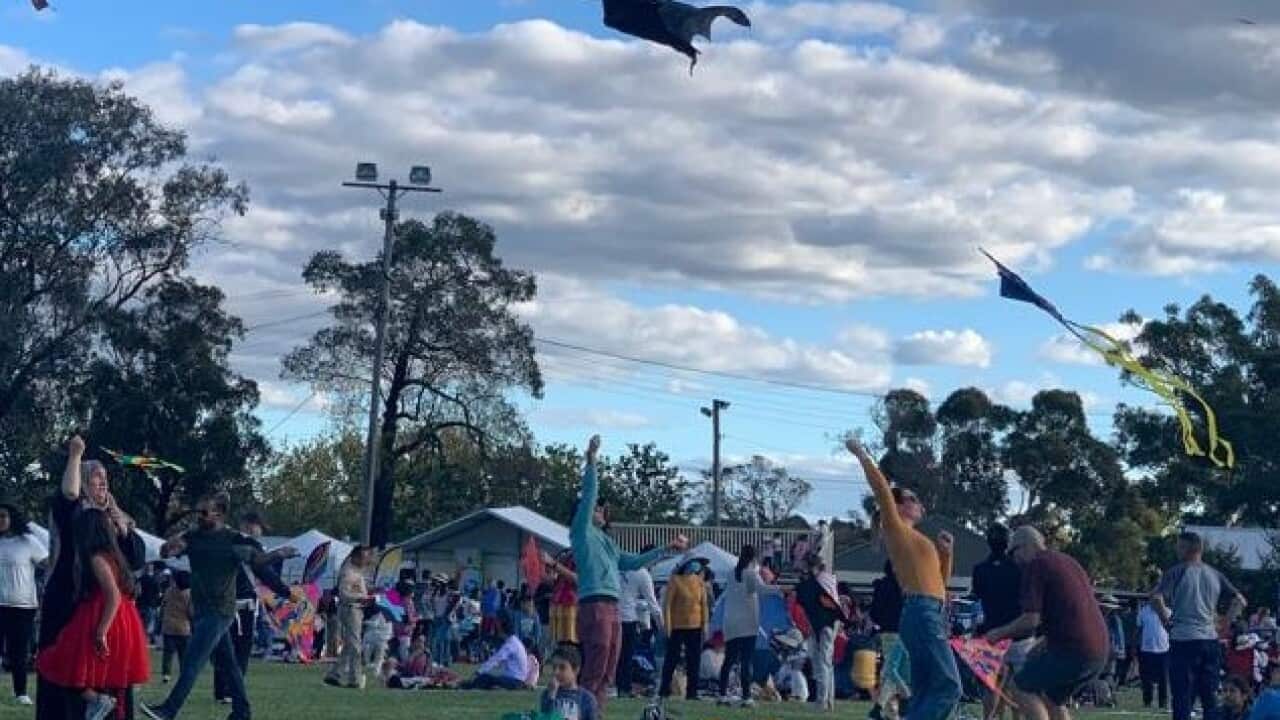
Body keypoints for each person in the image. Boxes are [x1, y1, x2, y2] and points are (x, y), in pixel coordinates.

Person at [141, 492, 300, 720]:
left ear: (220, 513)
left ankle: (168, 710)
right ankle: (242, 712)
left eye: (204, 511)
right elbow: (166, 551)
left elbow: (257, 561)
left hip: (220, 611)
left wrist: (280, 554)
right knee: (229, 664)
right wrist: (174, 540)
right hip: (201, 609)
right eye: (198, 511)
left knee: (192, 661)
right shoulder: (193, 536)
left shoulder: (232, 540)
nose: (199, 515)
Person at [569, 435, 685, 711]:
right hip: (595, 603)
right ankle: (580, 712)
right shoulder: (581, 530)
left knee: (610, 666)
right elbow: (589, 495)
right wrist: (591, 460)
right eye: (597, 509)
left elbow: (633, 562)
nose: (600, 510)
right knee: (596, 663)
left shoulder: (607, 542)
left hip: (613, 606)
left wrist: (666, 548)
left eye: (601, 509)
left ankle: (595, 713)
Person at [847, 438, 960, 720]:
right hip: (922, 611)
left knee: (925, 689)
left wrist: (946, 555)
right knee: (949, 687)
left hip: (927, 610)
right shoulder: (896, 528)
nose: (919, 503)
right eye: (912, 499)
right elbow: (882, 489)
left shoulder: (918, 539)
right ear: (897, 507)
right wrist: (862, 455)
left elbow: (939, 584)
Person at [40, 436, 148, 720]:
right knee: (65, 672)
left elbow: (136, 559)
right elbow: (69, 492)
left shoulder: (116, 517)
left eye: (105, 477)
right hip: (70, 603)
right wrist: (75, 455)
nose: (103, 482)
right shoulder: (74, 512)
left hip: (108, 610)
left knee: (109, 674)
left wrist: (123, 528)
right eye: (95, 477)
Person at [986, 526, 1109, 720]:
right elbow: (1069, 614)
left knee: (1020, 686)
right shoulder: (1068, 561)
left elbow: (1031, 619)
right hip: (1099, 650)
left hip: (1073, 649)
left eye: (1013, 552)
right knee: (1052, 699)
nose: (1014, 559)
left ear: (1026, 546)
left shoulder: (1036, 565)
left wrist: (997, 634)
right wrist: (1042, 645)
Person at [1153, 531, 1248, 720]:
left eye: (1179, 546)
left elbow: (1156, 598)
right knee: (1209, 697)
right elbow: (1240, 600)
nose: (1177, 550)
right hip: (1210, 640)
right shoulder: (1215, 574)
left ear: (1186, 548)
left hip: (1184, 639)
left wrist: (1166, 622)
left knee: (1182, 696)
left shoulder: (1177, 571)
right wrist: (1225, 623)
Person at [213, 512, 291, 704]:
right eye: (259, 527)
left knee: (224, 647)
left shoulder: (225, 541)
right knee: (241, 649)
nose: (260, 532)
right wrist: (287, 592)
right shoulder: (251, 546)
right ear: (250, 525)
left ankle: (221, 689)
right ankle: (233, 690)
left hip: (221, 602)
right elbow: (265, 574)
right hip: (243, 604)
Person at [971, 522, 1024, 720]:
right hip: (1017, 632)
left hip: (990, 633)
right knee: (1019, 686)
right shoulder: (1018, 568)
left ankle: (990, 718)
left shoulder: (980, 570)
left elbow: (977, 599)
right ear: (1008, 542)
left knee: (991, 685)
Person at [0, 498, 47, 705]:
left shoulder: (28, 542)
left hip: (23, 607)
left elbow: (48, 563)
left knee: (18, 651)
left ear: (12, 518)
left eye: (3, 516)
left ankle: (21, 692)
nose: (0, 520)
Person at [719, 544, 778, 708]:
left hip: (730, 623)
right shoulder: (751, 574)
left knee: (728, 660)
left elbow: (749, 590)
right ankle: (746, 697)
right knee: (746, 660)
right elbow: (762, 590)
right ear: (753, 558)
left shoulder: (731, 573)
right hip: (747, 624)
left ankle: (722, 695)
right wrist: (780, 588)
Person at [797, 556, 847, 712]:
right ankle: (829, 701)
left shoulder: (818, 582)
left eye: (806, 567)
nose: (804, 571)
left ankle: (821, 701)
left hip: (824, 625)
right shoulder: (828, 579)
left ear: (813, 567)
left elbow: (814, 603)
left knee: (822, 663)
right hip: (830, 624)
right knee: (827, 663)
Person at [324, 545, 374, 689]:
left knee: (349, 645)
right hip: (350, 609)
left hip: (356, 609)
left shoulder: (357, 571)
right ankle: (355, 678)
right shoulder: (348, 572)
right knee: (355, 645)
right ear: (356, 557)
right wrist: (360, 598)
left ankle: (335, 674)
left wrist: (367, 594)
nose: (367, 561)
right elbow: (343, 593)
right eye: (364, 558)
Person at [659, 558, 708, 702]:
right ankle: (664, 689)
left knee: (694, 660)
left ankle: (692, 692)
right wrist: (668, 626)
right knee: (671, 659)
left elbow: (704, 605)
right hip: (677, 626)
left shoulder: (699, 582)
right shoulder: (675, 580)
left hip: (695, 626)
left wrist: (705, 624)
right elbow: (667, 605)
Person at [617, 552, 662, 698]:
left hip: (610, 615)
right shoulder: (642, 573)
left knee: (610, 656)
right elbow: (653, 603)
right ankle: (623, 688)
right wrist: (662, 627)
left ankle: (609, 686)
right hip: (628, 618)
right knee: (626, 656)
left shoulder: (616, 567)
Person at [869, 560, 909, 720]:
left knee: (890, 671)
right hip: (903, 632)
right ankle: (890, 707)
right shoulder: (904, 586)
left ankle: (888, 710)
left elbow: (874, 612)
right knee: (895, 671)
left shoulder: (881, 586)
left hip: (886, 632)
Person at [463, 615, 529, 690]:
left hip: (514, 681)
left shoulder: (510, 644)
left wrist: (478, 672)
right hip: (516, 679)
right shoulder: (514, 641)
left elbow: (495, 659)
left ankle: (467, 685)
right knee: (489, 678)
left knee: (485, 678)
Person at [542, 645, 599, 720]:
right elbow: (545, 717)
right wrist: (551, 696)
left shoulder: (587, 699)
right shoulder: (547, 694)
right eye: (554, 667)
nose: (556, 672)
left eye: (562, 668)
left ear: (576, 670)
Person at [1136, 598, 1170, 710]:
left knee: (1164, 678)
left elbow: (1171, 629)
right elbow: (1139, 629)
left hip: (1164, 650)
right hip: (1146, 649)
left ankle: (1163, 703)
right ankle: (1147, 701)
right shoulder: (1143, 611)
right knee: (1146, 678)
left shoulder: (1168, 611)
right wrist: (1134, 646)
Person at [159, 571, 193, 683]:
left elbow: (163, 606)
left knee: (168, 653)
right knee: (183, 654)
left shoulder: (169, 591)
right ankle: (183, 674)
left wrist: (161, 619)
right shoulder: (189, 594)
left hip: (168, 626)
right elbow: (191, 612)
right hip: (183, 628)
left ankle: (166, 674)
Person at [136, 565, 162, 647]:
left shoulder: (140, 579)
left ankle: (140, 639)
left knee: (140, 623)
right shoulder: (155, 580)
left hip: (140, 604)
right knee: (150, 624)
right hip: (151, 604)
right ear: (152, 570)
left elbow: (137, 592)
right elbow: (158, 594)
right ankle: (147, 640)